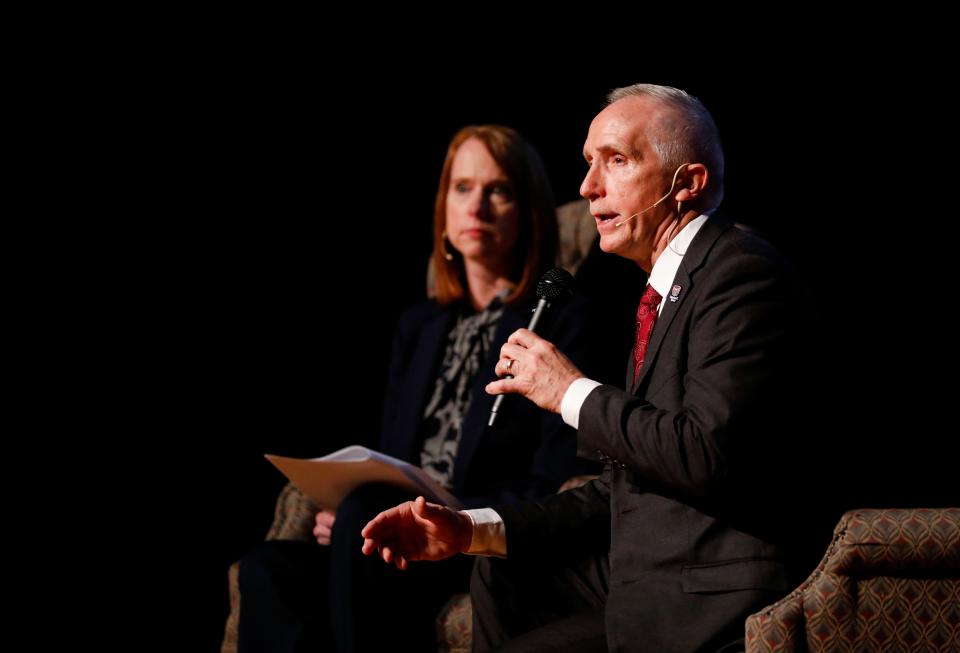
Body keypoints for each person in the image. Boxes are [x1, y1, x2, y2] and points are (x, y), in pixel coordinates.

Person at [361, 84, 825, 652]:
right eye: (588, 164)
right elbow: (624, 482)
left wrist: (571, 391)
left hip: (712, 584)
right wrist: (472, 530)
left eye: (617, 160)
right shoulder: (664, 288)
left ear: (688, 184)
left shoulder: (740, 276)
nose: (587, 188)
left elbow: (704, 453)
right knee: (500, 568)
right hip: (644, 574)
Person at [236, 124, 603, 653]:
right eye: (462, 188)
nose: (476, 206)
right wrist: (352, 516)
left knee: (364, 522)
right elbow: (394, 455)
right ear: (444, 209)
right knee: (268, 569)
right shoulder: (419, 326)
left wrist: (438, 517)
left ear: (528, 208)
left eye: (497, 190)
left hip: (468, 538)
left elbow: (554, 480)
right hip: (391, 524)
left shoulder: (563, 323)